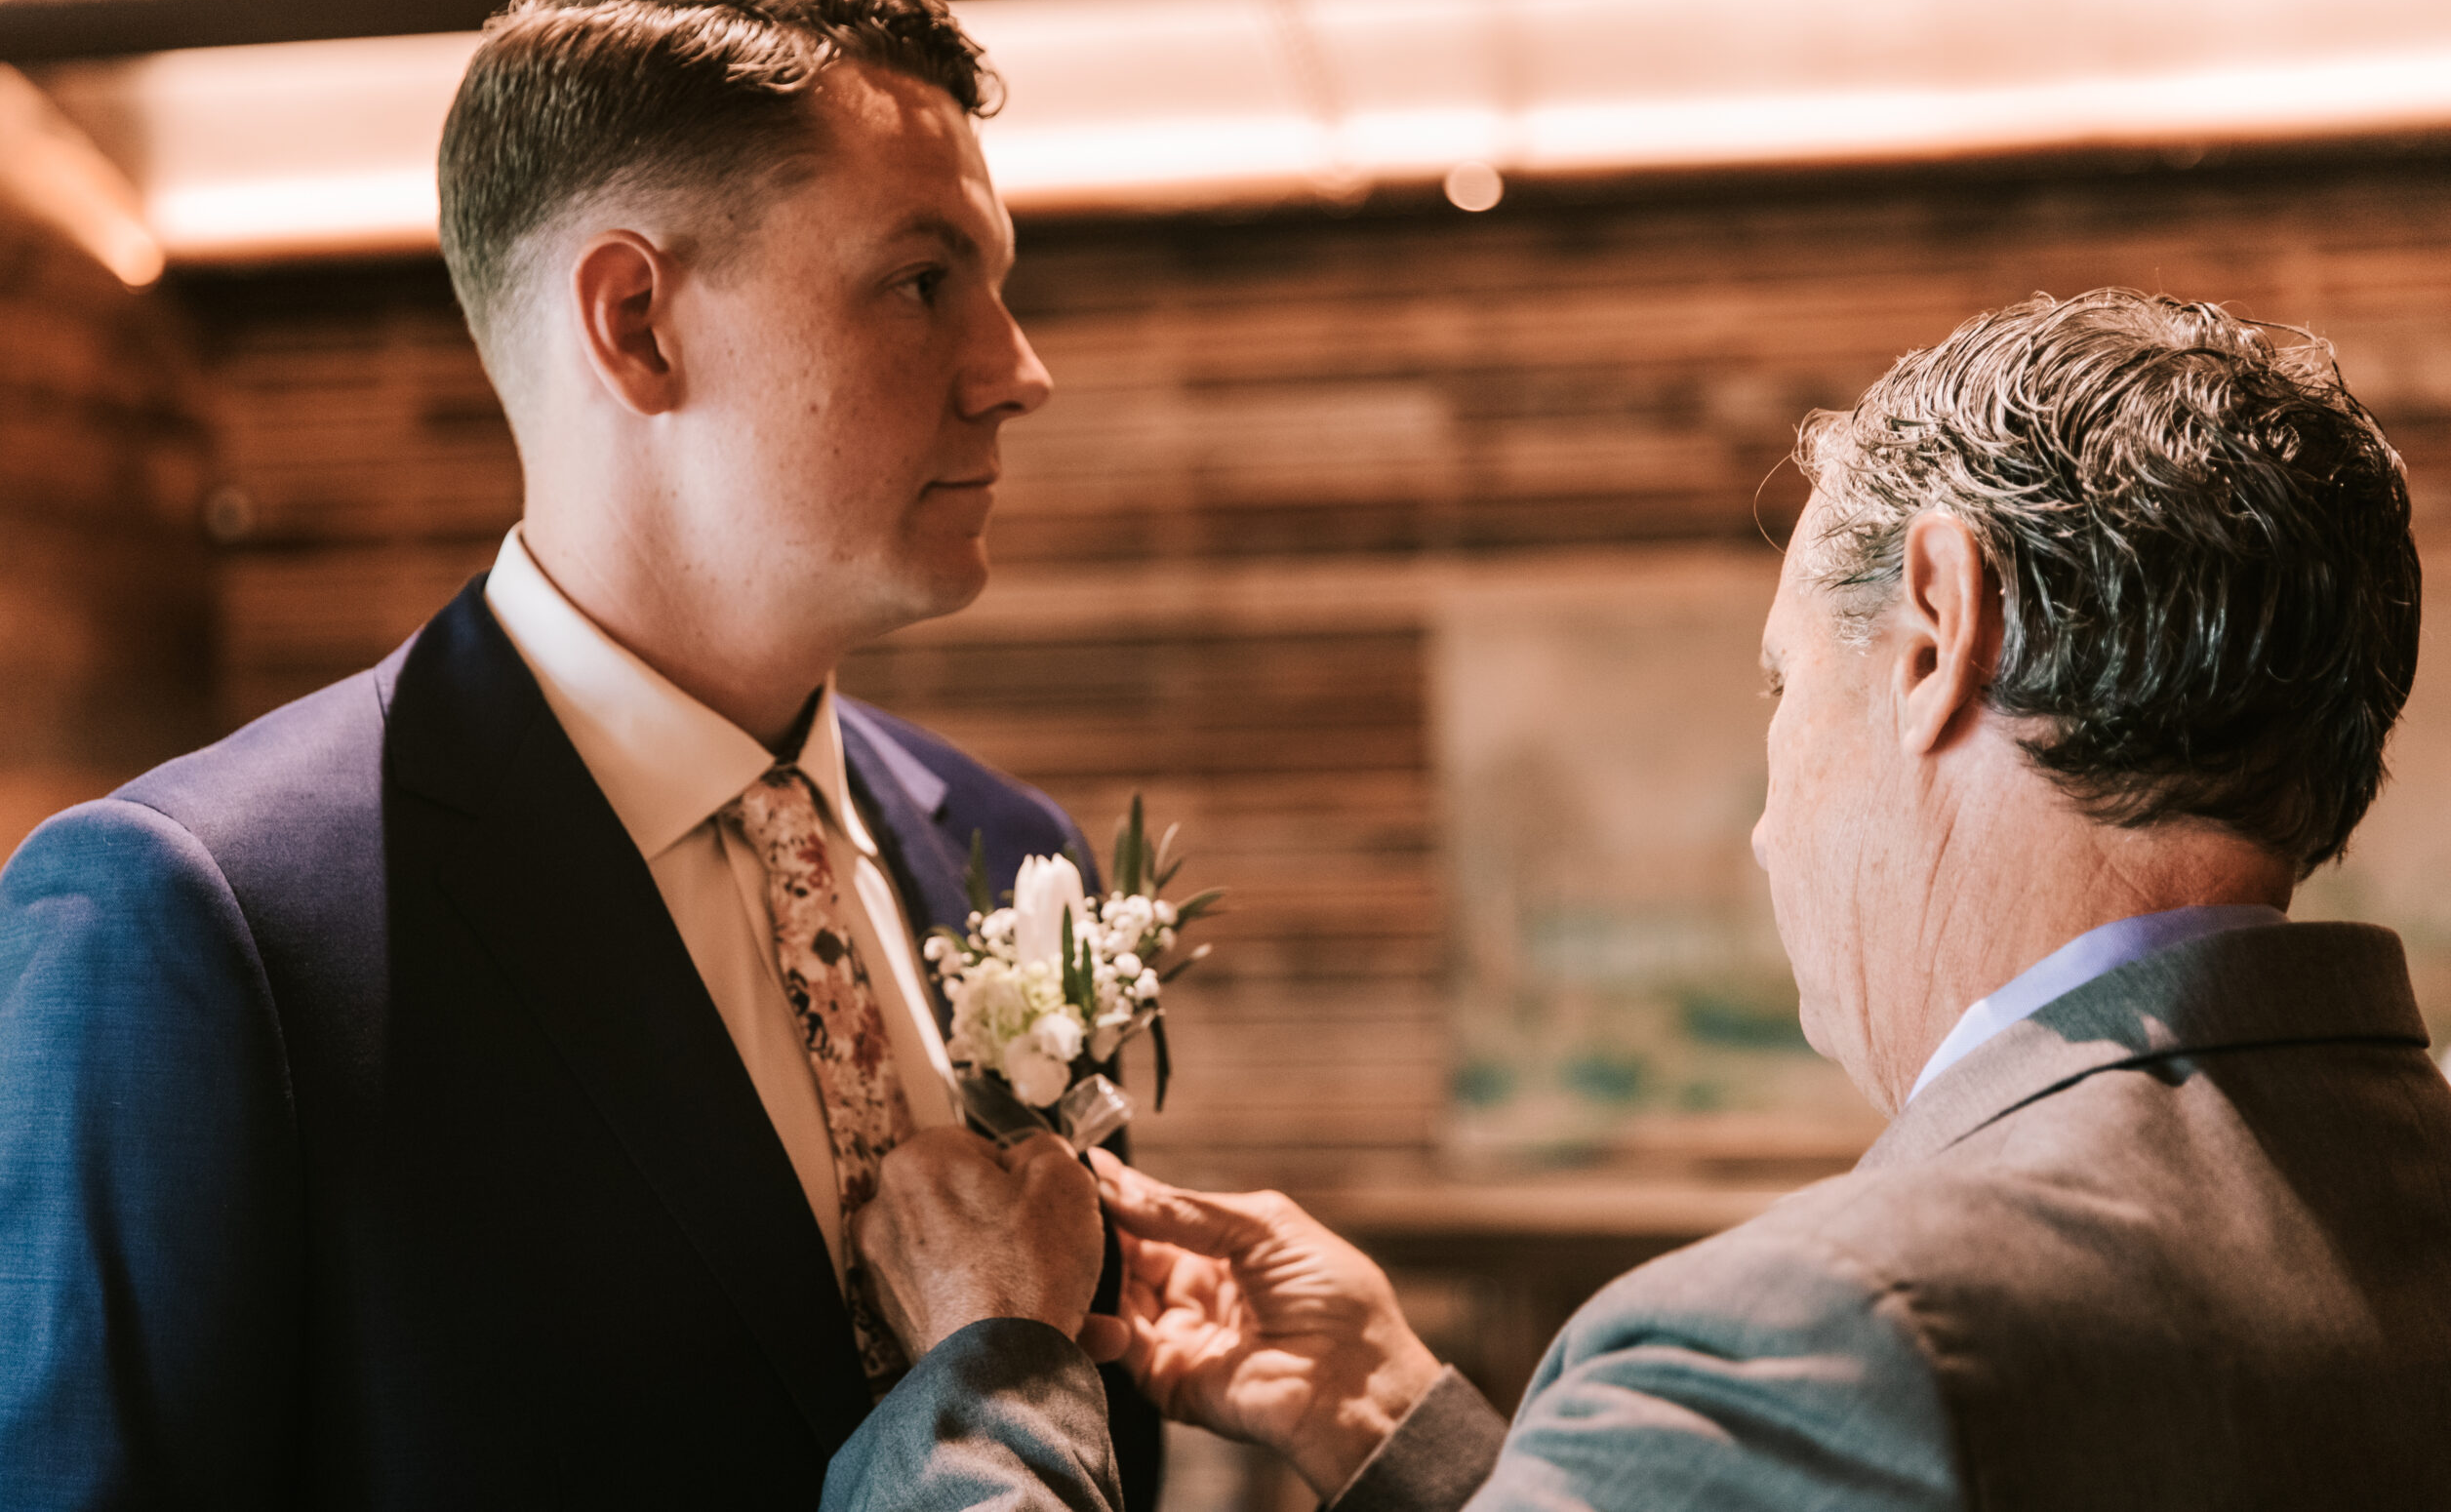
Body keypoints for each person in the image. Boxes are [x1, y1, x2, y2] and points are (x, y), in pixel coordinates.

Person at [821, 289, 2451, 1510]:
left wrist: (989, 1382)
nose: (1761, 833)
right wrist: (1406, 1426)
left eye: (1778, 683)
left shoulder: (1816, 1343)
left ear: (1940, 631)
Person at [0, 0, 1161, 1509]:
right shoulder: (197, 923)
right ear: (638, 323)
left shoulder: (1013, 855)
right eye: (925, 281)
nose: (1019, 372)